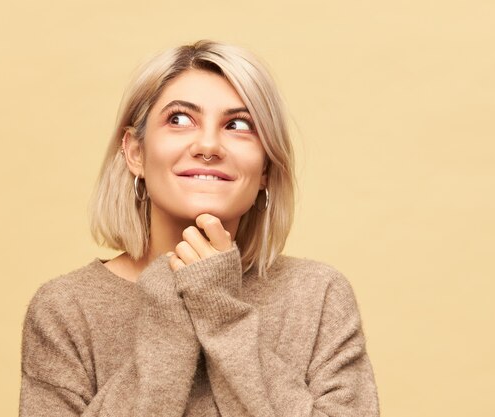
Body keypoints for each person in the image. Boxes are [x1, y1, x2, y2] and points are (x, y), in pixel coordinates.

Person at [19, 40, 380, 416]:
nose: (208, 145)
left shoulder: (317, 296)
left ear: (266, 171)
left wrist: (220, 308)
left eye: (238, 125)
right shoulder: (66, 309)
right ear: (135, 152)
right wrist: (170, 299)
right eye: (178, 119)